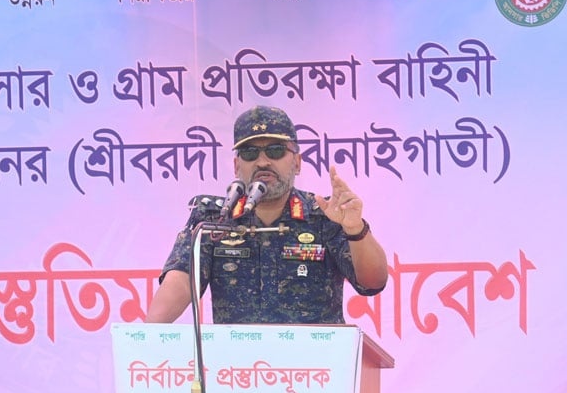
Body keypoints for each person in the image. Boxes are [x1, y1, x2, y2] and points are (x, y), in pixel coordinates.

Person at [144, 105, 389, 324]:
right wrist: (146, 340)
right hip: (236, 359)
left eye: (275, 151)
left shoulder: (324, 216)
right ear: (237, 166)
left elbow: (372, 283)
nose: (262, 162)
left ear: (297, 162)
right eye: (250, 153)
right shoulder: (213, 219)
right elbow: (179, 283)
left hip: (314, 358)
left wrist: (355, 229)